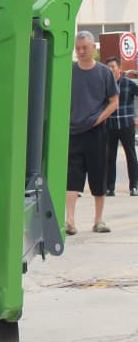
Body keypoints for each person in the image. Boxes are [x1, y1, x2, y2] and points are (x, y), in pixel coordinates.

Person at [65, 31, 119, 235]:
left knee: (98, 175)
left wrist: (97, 119)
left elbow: (114, 102)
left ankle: (98, 220)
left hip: (97, 131)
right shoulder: (69, 72)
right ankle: (69, 220)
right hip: (73, 131)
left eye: (84, 48)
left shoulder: (105, 73)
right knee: (72, 176)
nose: (80, 52)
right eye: (78, 48)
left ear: (93, 49)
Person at [104, 57, 138, 196]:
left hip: (126, 124)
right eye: (108, 67)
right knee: (110, 157)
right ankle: (110, 188)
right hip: (110, 125)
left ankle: (134, 187)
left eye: (113, 66)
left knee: (131, 156)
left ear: (119, 68)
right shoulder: (104, 84)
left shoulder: (128, 83)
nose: (110, 69)